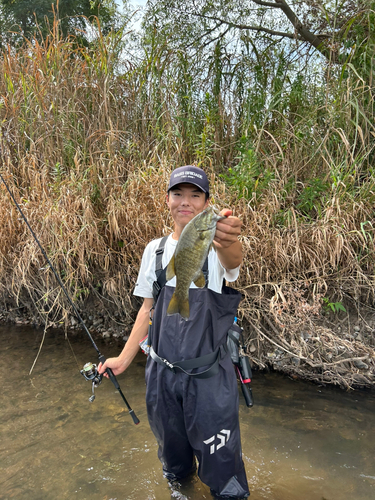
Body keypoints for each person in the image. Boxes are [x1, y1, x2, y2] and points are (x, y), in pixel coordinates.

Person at [98, 166, 250, 499]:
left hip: (209, 380)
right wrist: (123, 359)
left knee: (225, 478)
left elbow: (233, 261)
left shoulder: (214, 244)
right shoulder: (153, 251)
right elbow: (146, 310)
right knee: (175, 469)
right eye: (178, 193)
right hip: (161, 378)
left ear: (206, 202)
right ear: (167, 199)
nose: (186, 202)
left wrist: (228, 238)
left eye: (195, 195)